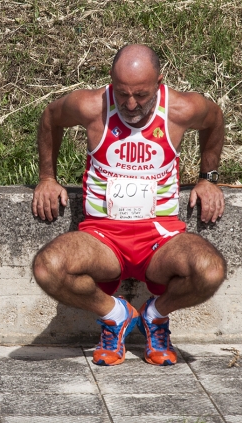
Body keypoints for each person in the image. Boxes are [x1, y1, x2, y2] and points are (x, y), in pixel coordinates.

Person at [31, 44, 226, 366]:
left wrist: (209, 178)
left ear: (160, 82)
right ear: (111, 81)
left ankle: (155, 315)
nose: (131, 104)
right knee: (46, 267)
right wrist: (47, 178)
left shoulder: (181, 108)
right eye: (122, 94)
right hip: (101, 237)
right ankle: (115, 315)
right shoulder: (91, 105)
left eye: (141, 94)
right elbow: (51, 117)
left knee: (210, 271)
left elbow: (215, 120)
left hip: (161, 237)